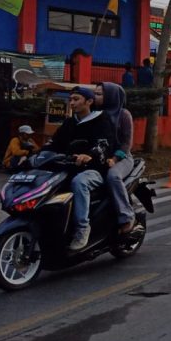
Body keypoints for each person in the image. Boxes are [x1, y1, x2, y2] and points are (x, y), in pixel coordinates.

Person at [46, 87, 118, 250]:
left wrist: (90, 155)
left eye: (76, 99)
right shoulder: (70, 122)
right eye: (70, 99)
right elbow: (54, 142)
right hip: (67, 167)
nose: (72, 103)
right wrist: (37, 154)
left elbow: (104, 144)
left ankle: (82, 228)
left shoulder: (102, 120)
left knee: (79, 183)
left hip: (93, 170)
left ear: (89, 101)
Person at [94, 82, 138, 234]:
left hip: (122, 157)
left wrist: (114, 159)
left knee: (113, 176)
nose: (95, 97)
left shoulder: (123, 115)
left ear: (111, 97)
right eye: (95, 93)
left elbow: (126, 143)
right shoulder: (95, 113)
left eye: (99, 94)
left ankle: (126, 216)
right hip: (98, 156)